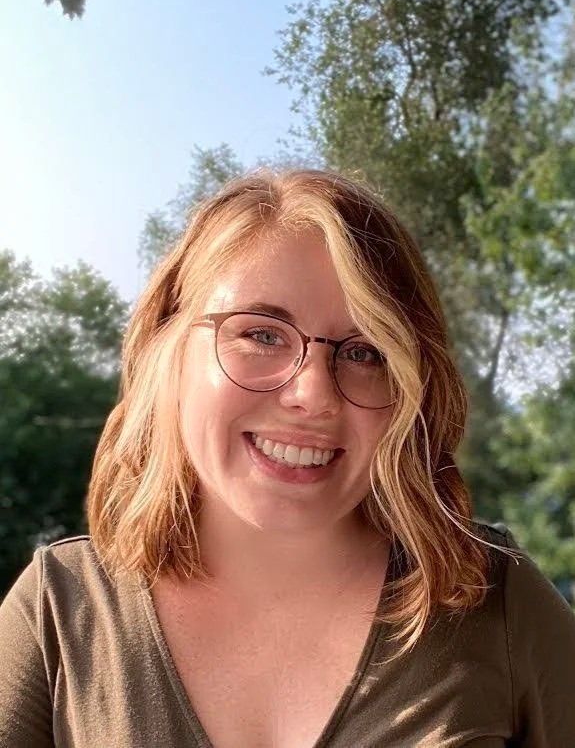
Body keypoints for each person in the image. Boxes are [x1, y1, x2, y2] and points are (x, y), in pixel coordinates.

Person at [0, 169, 574, 748]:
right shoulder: (56, 615)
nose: (313, 395)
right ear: (166, 350)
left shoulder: (500, 601)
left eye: (365, 352)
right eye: (262, 334)